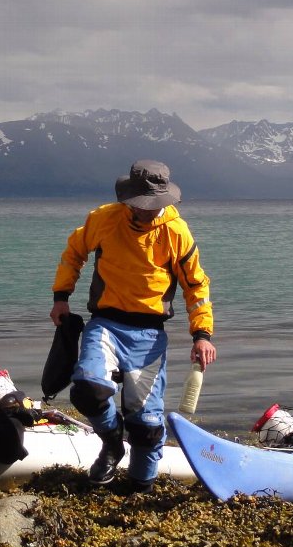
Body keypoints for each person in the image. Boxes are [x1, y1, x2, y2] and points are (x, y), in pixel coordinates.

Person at [49, 159, 216, 492]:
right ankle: (112, 442)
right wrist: (61, 296)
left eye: (154, 206)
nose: (148, 212)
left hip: (150, 335)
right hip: (106, 324)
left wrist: (202, 334)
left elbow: (196, 286)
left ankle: (140, 486)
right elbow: (74, 253)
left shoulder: (176, 231)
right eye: (141, 206)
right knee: (87, 389)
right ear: (128, 200)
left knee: (147, 427)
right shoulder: (103, 220)